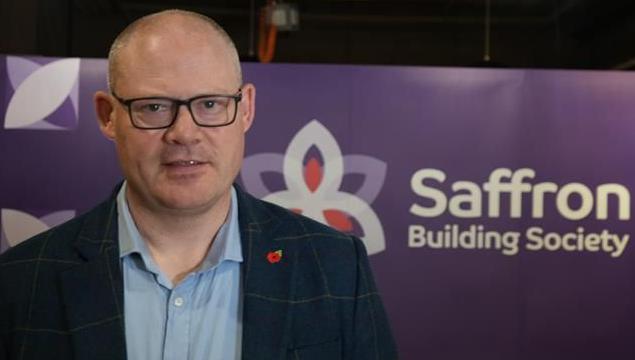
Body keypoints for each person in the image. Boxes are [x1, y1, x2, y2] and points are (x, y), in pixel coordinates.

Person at [0, 9, 397, 360]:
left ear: (246, 109)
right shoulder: (21, 282)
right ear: (108, 116)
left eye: (209, 104)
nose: (184, 133)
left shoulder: (337, 266)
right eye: (154, 107)